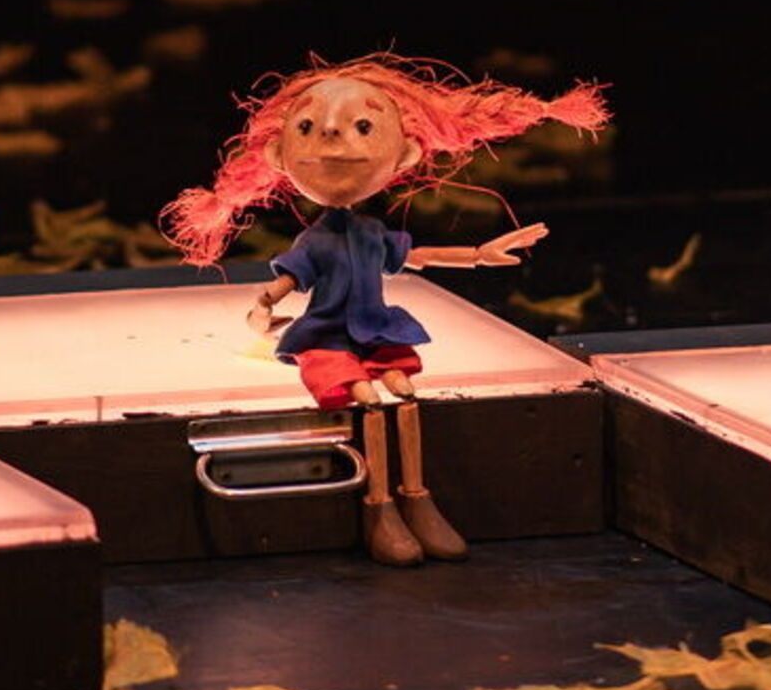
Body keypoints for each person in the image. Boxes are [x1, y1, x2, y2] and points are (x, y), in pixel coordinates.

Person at [163, 53, 608, 565]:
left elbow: (419, 257)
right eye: (307, 126)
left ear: (405, 155)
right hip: (328, 339)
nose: (332, 132)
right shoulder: (315, 243)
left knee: (406, 394)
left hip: (375, 333)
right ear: (279, 156)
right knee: (369, 402)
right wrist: (262, 311)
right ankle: (380, 506)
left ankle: (417, 497)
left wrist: (478, 255)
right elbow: (282, 286)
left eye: (363, 125)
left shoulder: (373, 233)